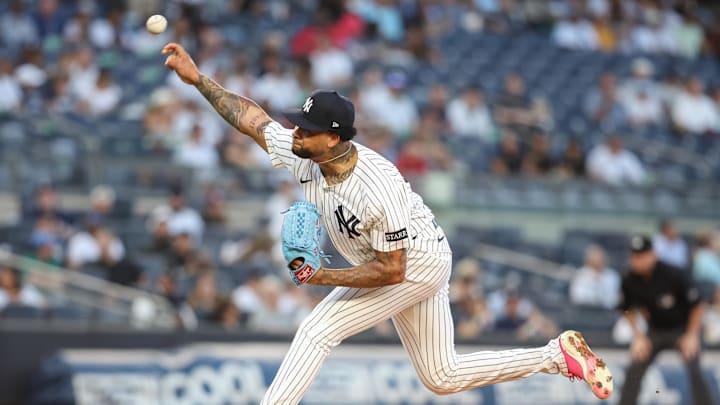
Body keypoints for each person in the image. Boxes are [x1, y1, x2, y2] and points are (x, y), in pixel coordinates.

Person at [162, 42, 613, 404]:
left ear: (334, 137)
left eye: (305, 128)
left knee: (318, 330)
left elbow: (392, 271)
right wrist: (198, 79)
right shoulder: (305, 154)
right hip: (405, 257)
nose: (294, 132)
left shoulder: (376, 185)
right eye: (297, 125)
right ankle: (556, 355)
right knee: (441, 376)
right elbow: (252, 121)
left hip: (413, 263)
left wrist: (323, 276)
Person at [617, 235, 715, 405]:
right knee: (635, 367)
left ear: (652, 255)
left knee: (694, 367)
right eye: (634, 256)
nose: (637, 261)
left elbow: (697, 305)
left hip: (683, 328)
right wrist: (638, 336)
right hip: (655, 329)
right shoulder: (629, 279)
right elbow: (626, 308)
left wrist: (692, 335)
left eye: (641, 256)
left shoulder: (672, 273)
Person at [570, 244, 620, 310]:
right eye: (594, 260)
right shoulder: (580, 275)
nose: (597, 262)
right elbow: (577, 297)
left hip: (606, 312)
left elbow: (614, 299)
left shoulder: (613, 275)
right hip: (584, 312)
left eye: (600, 260)